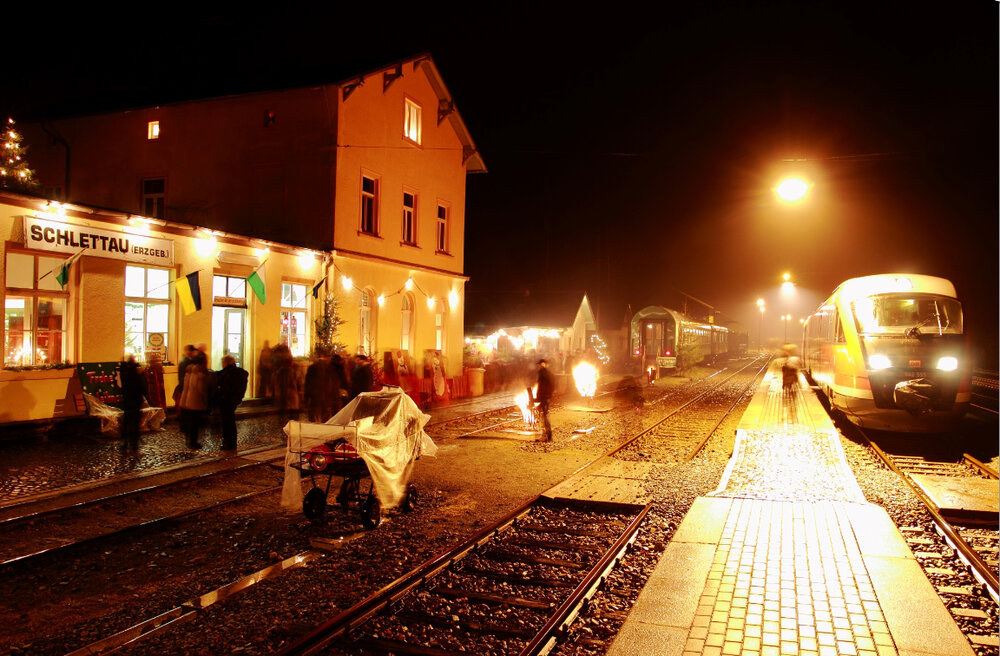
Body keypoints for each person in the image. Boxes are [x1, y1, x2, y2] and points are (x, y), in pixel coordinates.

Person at [215, 354, 248, 451]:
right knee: (230, 421)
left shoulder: (227, 374)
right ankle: (231, 443)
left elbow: (224, 387)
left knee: (227, 423)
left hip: (226, 401)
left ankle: (228, 444)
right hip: (234, 400)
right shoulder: (240, 373)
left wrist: (222, 397)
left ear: (225, 363)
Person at [179, 350, 210, 449]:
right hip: (195, 401)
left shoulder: (189, 371)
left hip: (186, 400)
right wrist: (205, 400)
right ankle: (193, 442)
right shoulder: (200, 373)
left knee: (190, 422)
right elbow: (200, 389)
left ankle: (189, 441)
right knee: (195, 423)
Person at [118, 354, 148, 452]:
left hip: (127, 399)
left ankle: (124, 441)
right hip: (135, 399)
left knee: (127, 420)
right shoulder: (136, 373)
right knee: (134, 422)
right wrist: (147, 397)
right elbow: (141, 386)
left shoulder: (124, 372)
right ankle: (133, 443)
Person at [272, 343, 301, 422]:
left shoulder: (279, 372)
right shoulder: (293, 371)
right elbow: (297, 383)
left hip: (284, 397)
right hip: (291, 396)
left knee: (284, 415)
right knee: (292, 415)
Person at [304, 347, 332, 423]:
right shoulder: (329, 367)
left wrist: (306, 397)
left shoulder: (312, 367)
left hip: (315, 395)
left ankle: (313, 428)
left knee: (313, 414)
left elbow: (308, 383)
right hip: (326, 395)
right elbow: (332, 383)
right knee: (325, 416)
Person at [534, 358, 555, 442]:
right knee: (544, 416)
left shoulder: (543, 374)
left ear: (542, 364)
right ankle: (547, 436)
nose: (538, 366)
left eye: (539, 364)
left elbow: (542, 387)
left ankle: (547, 436)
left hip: (544, 397)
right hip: (546, 397)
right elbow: (552, 387)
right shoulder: (549, 374)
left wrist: (540, 397)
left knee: (545, 417)